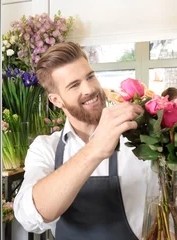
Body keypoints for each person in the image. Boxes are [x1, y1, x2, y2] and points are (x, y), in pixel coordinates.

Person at [13, 42, 154, 240]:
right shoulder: (45, 148)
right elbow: (30, 216)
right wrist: (96, 148)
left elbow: (164, 203)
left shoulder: (136, 139)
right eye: (74, 85)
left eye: (90, 76)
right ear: (56, 100)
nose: (89, 89)